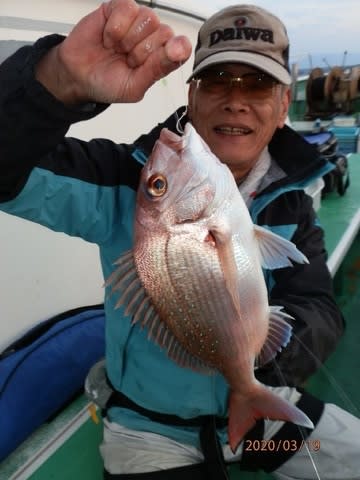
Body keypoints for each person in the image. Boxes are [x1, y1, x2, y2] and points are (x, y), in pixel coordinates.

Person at [0, 1, 359, 478]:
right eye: (217, 82)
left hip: (261, 415)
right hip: (150, 432)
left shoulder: (293, 202)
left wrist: (262, 360)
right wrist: (57, 82)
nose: (236, 100)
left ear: (279, 107)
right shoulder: (122, 180)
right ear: (191, 96)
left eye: (256, 84)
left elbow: (316, 304)